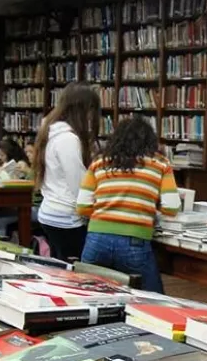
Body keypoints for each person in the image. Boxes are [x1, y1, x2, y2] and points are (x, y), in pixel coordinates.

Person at [77, 117, 179, 293]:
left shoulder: (99, 162)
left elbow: (82, 206)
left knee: (90, 294)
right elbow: (171, 207)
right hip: (135, 240)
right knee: (151, 298)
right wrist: (148, 205)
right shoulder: (160, 164)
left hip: (97, 238)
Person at [35, 83, 101, 261]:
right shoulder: (69, 140)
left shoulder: (52, 132)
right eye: (91, 110)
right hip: (67, 217)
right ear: (82, 110)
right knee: (82, 266)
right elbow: (79, 185)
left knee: (61, 265)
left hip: (50, 212)